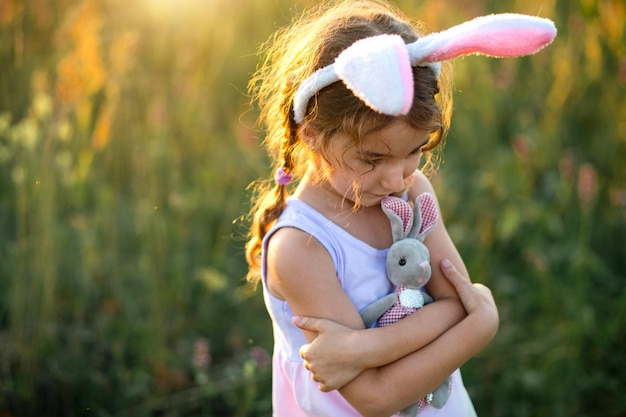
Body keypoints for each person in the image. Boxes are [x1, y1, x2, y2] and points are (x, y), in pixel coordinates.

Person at [244, 1, 556, 416]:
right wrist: (481, 324)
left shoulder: (413, 193)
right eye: (372, 158)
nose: (395, 179)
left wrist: (363, 346)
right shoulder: (300, 248)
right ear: (314, 135)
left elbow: (458, 300)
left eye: (414, 151)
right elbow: (375, 396)